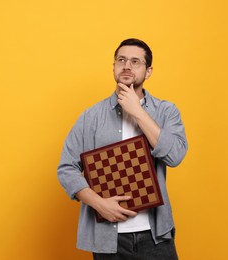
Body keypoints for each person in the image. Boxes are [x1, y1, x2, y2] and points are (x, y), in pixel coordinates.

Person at [57, 38, 188, 260]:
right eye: (121, 60)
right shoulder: (91, 116)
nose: (127, 66)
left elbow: (175, 156)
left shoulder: (167, 111)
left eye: (135, 61)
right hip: (107, 238)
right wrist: (99, 205)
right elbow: (66, 168)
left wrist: (137, 111)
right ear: (114, 67)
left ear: (148, 71)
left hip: (155, 235)